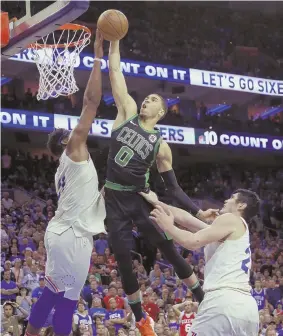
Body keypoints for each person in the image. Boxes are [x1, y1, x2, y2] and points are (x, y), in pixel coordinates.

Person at [103, 38, 217, 335]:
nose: (146, 101)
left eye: (153, 100)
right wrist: (113, 44)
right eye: (147, 98)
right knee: (124, 260)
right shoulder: (126, 112)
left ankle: (204, 298)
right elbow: (115, 73)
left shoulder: (162, 146)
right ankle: (142, 320)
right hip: (113, 197)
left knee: (169, 249)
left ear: (161, 112)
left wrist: (197, 211)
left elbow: (174, 189)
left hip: (140, 199)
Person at [24, 30, 106, 336]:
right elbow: (91, 101)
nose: (74, 133)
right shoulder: (73, 151)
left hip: (76, 235)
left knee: (67, 300)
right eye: (68, 132)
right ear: (66, 141)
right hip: (68, 233)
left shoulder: (68, 166)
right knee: (54, 295)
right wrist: (97, 57)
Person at [141, 188, 260, 335]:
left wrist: (168, 226)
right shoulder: (235, 229)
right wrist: (156, 202)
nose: (226, 200)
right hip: (247, 308)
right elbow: (186, 219)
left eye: (231, 198)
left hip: (222, 301)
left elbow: (192, 241)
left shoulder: (231, 219)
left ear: (241, 205)